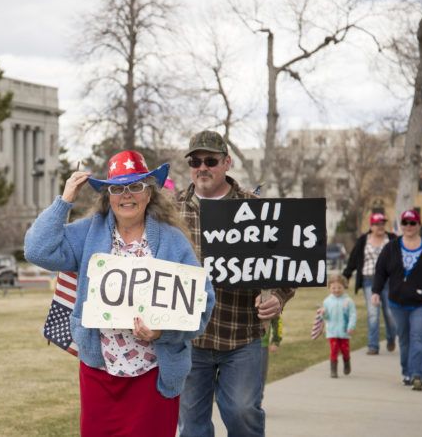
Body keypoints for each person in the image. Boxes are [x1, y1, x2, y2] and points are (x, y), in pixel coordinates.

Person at [24, 150, 215, 437]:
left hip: (153, 373)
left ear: (149, 193)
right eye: (118, 188)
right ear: (107, 196)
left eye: (136, 187)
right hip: (101, 373)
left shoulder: (172, 240)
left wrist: (162, 332)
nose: (127, 195)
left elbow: (202, 300)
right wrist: (65, 200)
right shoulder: (88, 233)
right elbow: (37, 250)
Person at [175, 130, 294, 437]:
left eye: (210, 160)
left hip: (241, 335)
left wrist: (277, 298)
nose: (202, 167)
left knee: (242, 414)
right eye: (195, 161)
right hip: (189, 340)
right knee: (191, 425)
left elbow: (289, 265)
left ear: (226, 162)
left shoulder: (256, 208)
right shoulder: (171, 211)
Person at [372, 209, 422, 391]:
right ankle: (407, 371)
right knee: (405, 339)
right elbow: (381, 271)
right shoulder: (391, 247)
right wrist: (376, 291)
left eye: (412, 223)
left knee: (419, 337)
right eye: (405, 223)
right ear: (401, 225)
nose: (408, 227)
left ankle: (418, 375)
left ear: (419, 225)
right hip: (398, 302)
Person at [343, 212, 397, 355]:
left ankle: (391, 338)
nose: (380, 226)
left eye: (382, 224)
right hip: (369, 281)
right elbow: (353, 259)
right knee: (373, 313)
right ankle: (373, 346)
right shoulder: (363, 240)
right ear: (371, 226)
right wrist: (346, 275)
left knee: (390, 313)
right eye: (377, 224)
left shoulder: (392, 239)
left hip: (388, 281)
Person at [318, 275, 357, 378]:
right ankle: (333, 370)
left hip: (345, 330)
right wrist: (323, 313)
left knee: (345, 350)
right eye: (333, 288)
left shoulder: (348, 301)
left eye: (339, 287)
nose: (336, 290)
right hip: (332, 331)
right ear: (329, 288)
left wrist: (351, 326)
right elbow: (326, 317)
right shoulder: (327, 301)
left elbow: (353, 314)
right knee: (334, 350)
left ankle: (347, 362)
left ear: (344, 287)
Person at [260, 316, 283, 385]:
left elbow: (277, 321)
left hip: (262, 346)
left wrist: (276, 341)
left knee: (260, 379)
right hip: (241, 345)